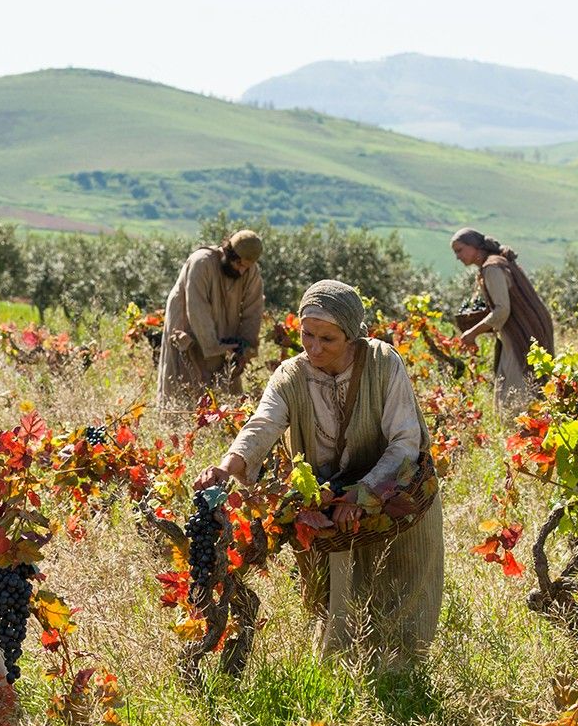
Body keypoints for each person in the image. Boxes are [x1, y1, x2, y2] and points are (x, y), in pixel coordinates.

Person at [193, 280, 443, 666]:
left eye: (328, 339)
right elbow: (262, 424)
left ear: (353, 337)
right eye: (307, 335)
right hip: (327, 502)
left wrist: (364, 494)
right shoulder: (291, 376)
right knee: (330, 596)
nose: (313, 347)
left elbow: (405, 442)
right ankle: (338, 671)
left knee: (400, 584)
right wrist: (228, 467)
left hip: (394, 490)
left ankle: (399, 677)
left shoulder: (383, 363)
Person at [155, 229, 265, 405]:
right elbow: (197, 308)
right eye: (239, 264)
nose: (242, 271)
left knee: (225, 398)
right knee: (185, 391)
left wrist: (244, 347)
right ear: (228, 252)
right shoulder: (202, 262)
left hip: (224, 336)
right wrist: (214, 346)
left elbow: (254, 310)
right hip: (189, 330)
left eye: (247, 267)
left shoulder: (250, 271)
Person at [452, 228, 555, 409]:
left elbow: (502, 310)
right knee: (517, 382)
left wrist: (472, 332)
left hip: (525, 331)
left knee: (518, 387)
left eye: (459, 250)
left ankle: (523, 430)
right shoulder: (495, 263)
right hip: (525, 327)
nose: (457, 257)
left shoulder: (492, 268)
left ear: (474, 246)